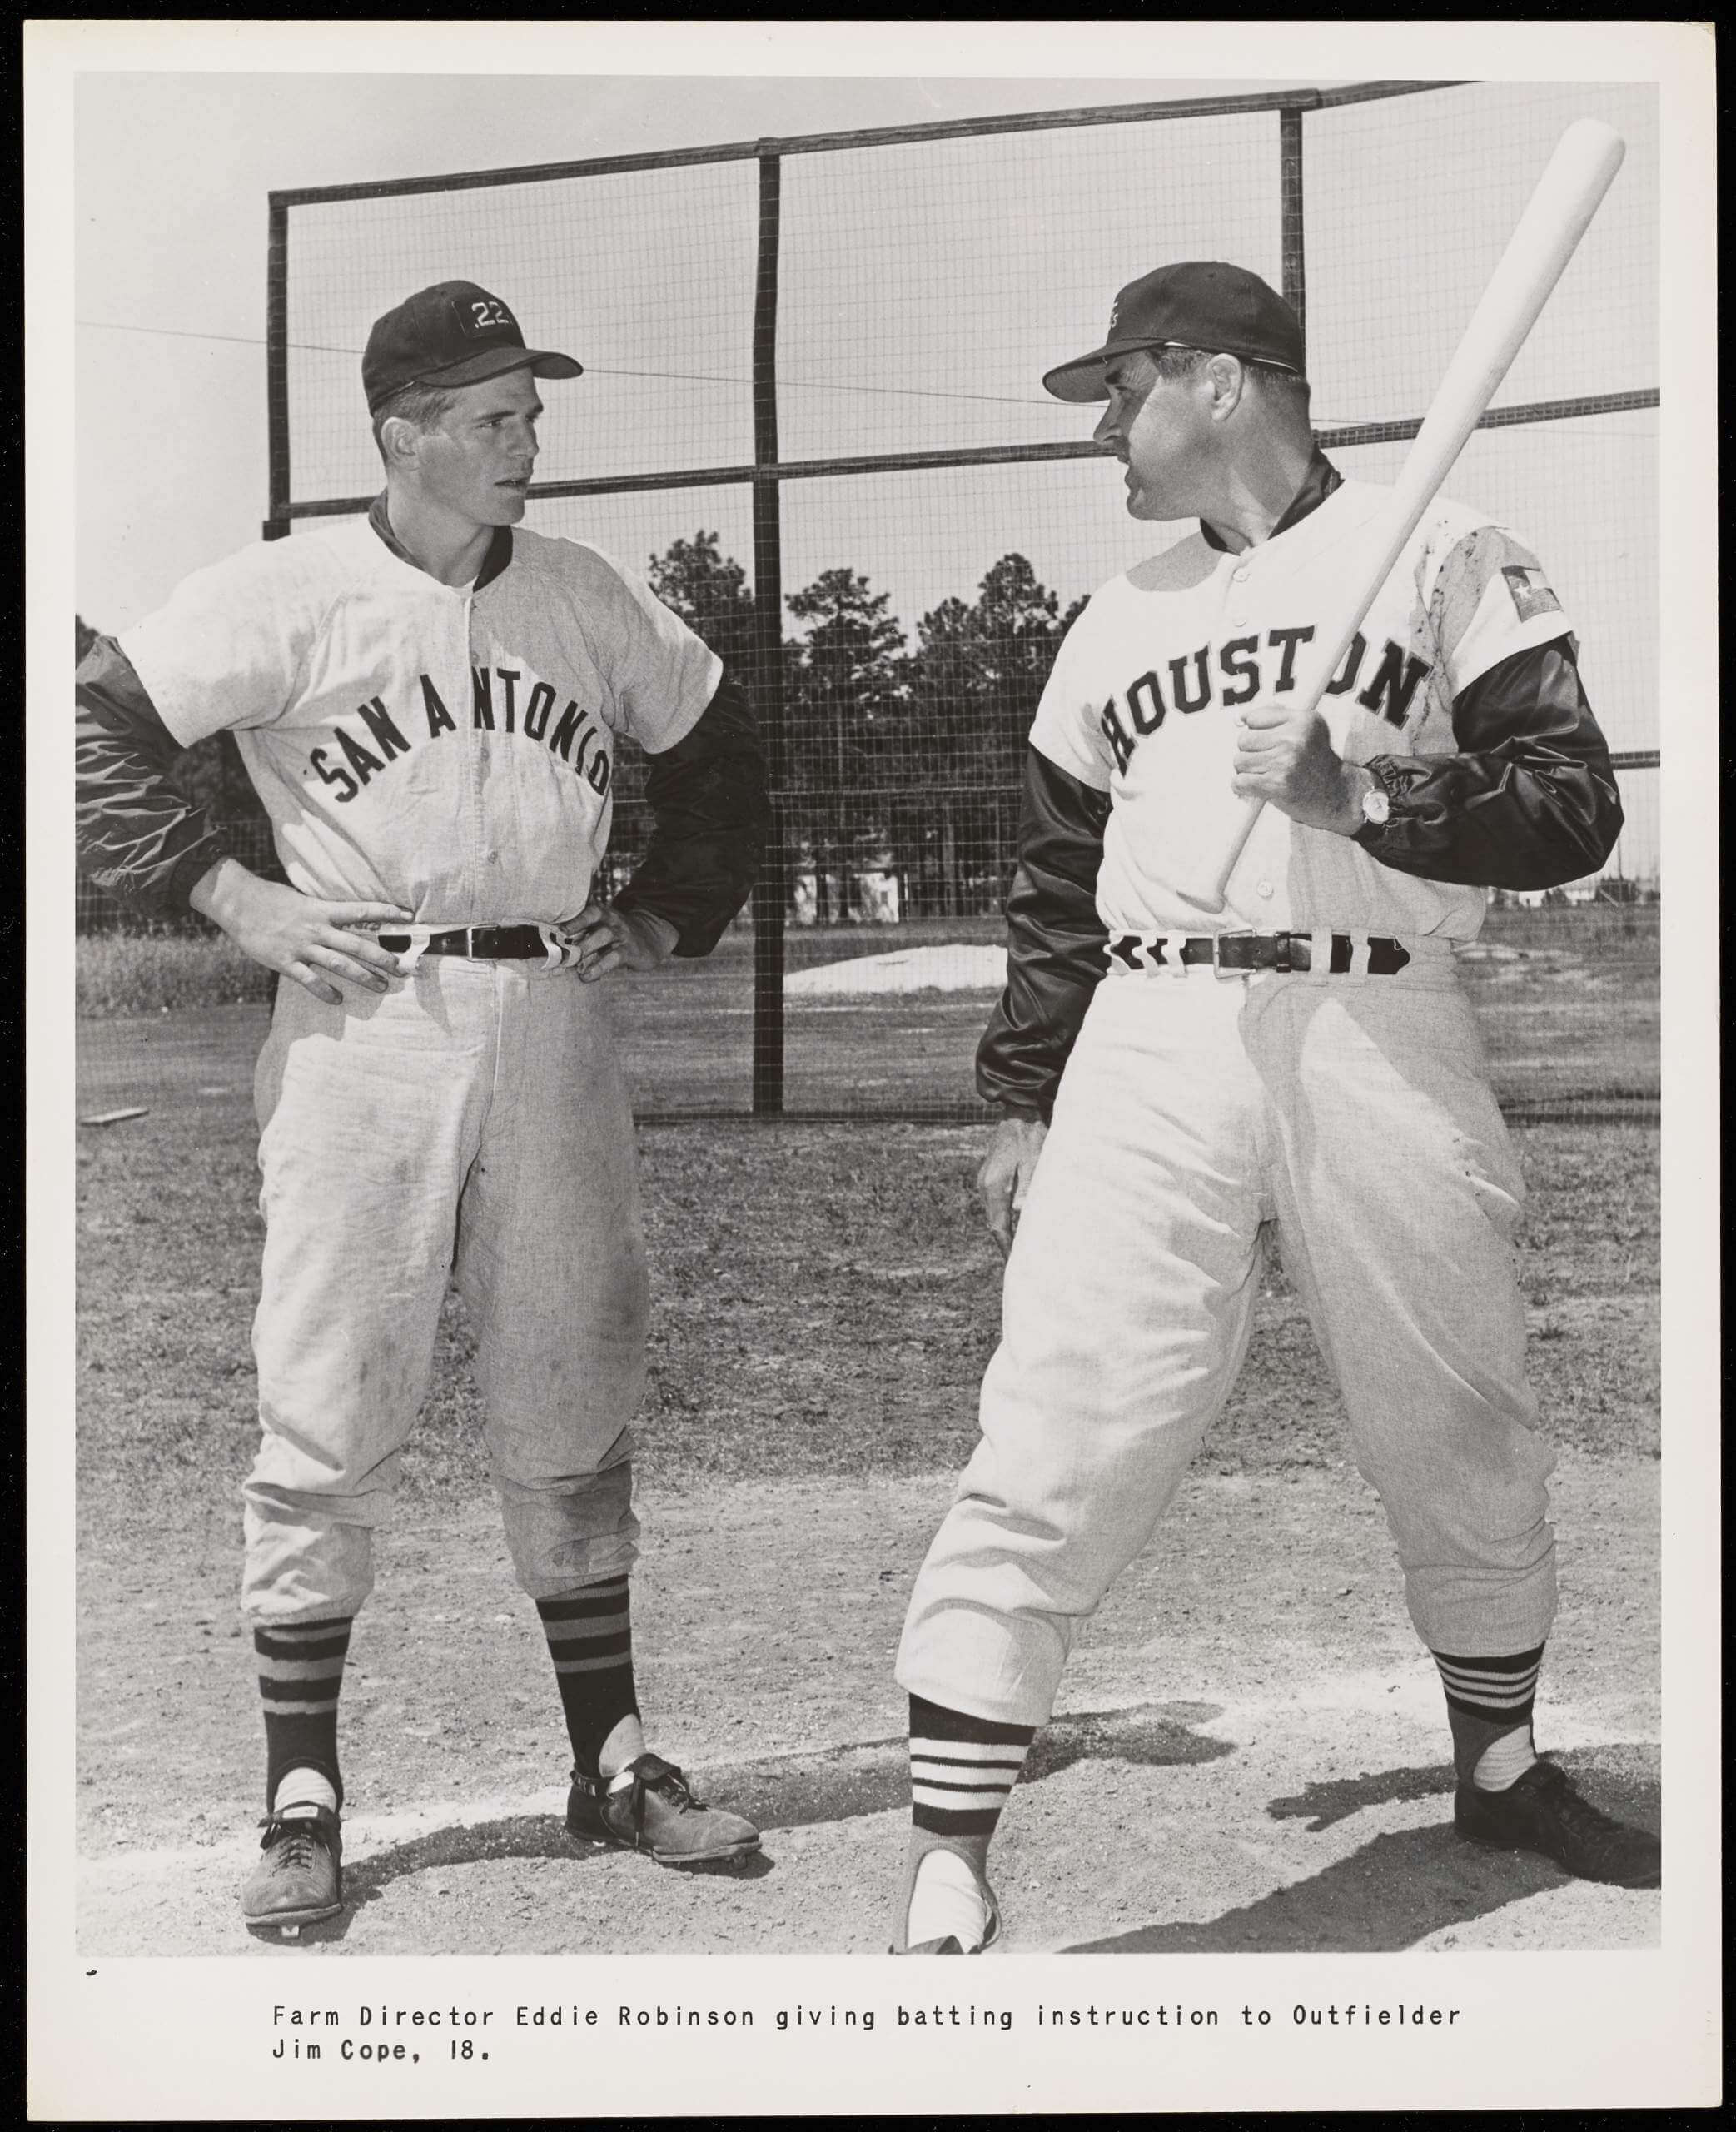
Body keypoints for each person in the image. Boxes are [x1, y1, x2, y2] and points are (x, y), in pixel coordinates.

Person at [889, 261, 1659, 1955]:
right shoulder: (1112, 615)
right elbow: (1050, 883)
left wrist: (1369, 791)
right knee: (1066, 1407)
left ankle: (1502, 1762)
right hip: (1153, 1026)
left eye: (1119, 389)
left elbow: (1569, 804)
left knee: (1452, 1404)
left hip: (1375, 1016)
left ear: (1216, 380)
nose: (1103, 426)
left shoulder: (1447, 547)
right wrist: (1020, 1096)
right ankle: (949, 1833)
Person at [76, 280, 771, 1935]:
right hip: (361, 1020)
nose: (528, 444)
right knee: (327, 1386)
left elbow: (728, 747)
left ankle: (607, 1758)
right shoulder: (288, 592)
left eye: (532, 414)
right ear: (400, 431)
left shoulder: (588, 597)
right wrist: (234, 899)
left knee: (572, 1372)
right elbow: (90, 723)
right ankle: (300, 1787)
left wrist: (667, 911)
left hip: (548, 1014)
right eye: (493, 419)